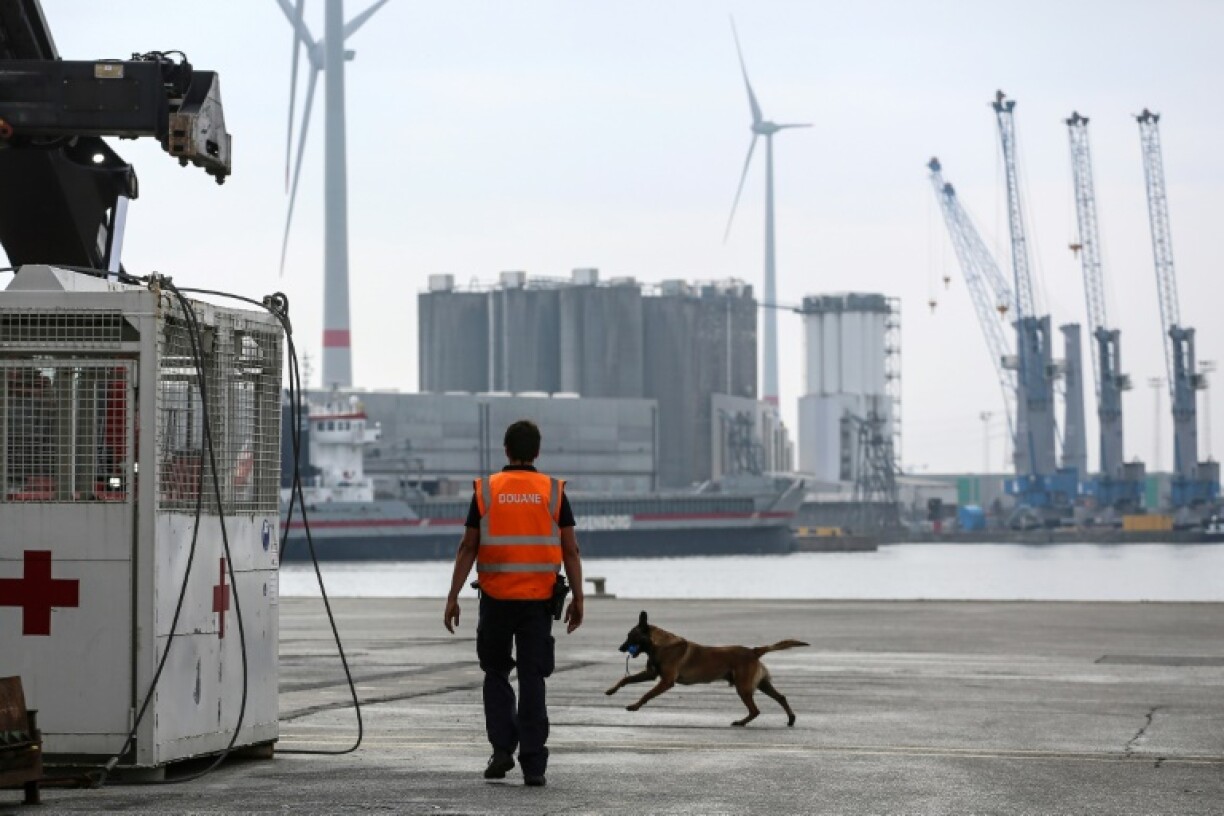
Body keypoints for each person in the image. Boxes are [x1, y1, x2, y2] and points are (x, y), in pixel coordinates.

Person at [444, 419, 584, 788]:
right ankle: (534, 765)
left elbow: (468, 548)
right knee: (533, 677)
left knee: (496, 672)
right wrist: (580, 599)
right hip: (538, 602)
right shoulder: (552, 491)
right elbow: (570, 549)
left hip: (495, 599)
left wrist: (453, 596)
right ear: (536, 452)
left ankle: (502, 750)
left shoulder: (486, 490)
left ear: (505, 450)